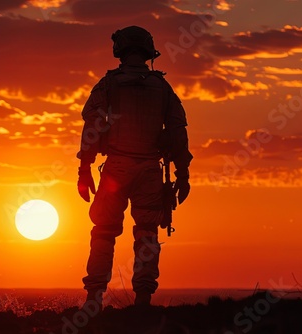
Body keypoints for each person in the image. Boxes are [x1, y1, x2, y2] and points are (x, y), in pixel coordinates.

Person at [76, 26, 193, 311]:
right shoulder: (162, 88)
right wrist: (182, 174)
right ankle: (142, 301)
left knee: (104, 231)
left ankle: (94, 300)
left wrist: (85, 168)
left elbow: (92, 124)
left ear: (121, 49)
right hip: (150, 170)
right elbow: (178, 131)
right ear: (147, 50)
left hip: (117, 167)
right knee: (147, 233)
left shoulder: (109, 84)